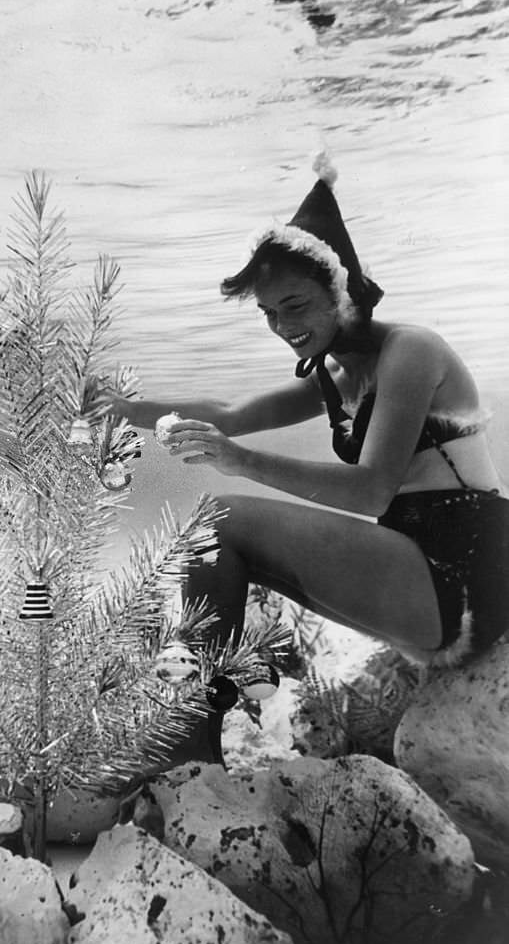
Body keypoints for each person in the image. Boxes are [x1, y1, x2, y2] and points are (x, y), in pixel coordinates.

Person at [114, 153, 509, 670]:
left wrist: (242, 461)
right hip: (419, 574)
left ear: (341, 292)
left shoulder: (411, 351)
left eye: (295, 306)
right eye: (269, 313)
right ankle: (192, 728)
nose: (281, 326)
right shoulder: (339, 374)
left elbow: (372, 489)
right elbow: (230, 414)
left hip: (467, 577)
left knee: (221, 520)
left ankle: (195, 749)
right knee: (216, 534)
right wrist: (122, 410)